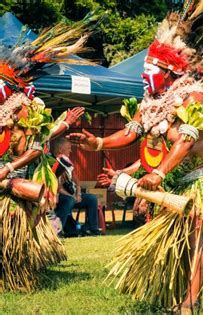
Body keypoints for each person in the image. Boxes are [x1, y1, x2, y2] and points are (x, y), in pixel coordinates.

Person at [68, 1, 203, 311]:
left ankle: (191, 301)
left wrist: (158, 173)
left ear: (169, 70)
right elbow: (132, 132)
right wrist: (99, 144)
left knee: (197, 235)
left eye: (150, 70)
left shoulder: (193, 95)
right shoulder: (151, 102)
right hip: (180, 180)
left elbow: (186, 140)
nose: (144, 76)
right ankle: (179, 292)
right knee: (177, 239)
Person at [0, 15, 96, 290]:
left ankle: (20, 276)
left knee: (16, 238)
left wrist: (7, 170)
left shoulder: (25, 109)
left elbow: (37, 146)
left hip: (15, 181)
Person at [53, 137, 100, 236]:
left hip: (73, 195)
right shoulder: (55, 163)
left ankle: (92, 228)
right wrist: (72, 197)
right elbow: (59, 188)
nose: (71, 150)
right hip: (61, 196)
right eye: (68, 148)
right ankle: (58, 230)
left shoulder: (68, 163)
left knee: (92, 198)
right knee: (69, 200)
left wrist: (78, 193)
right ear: (60, 150)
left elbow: (76, 180)